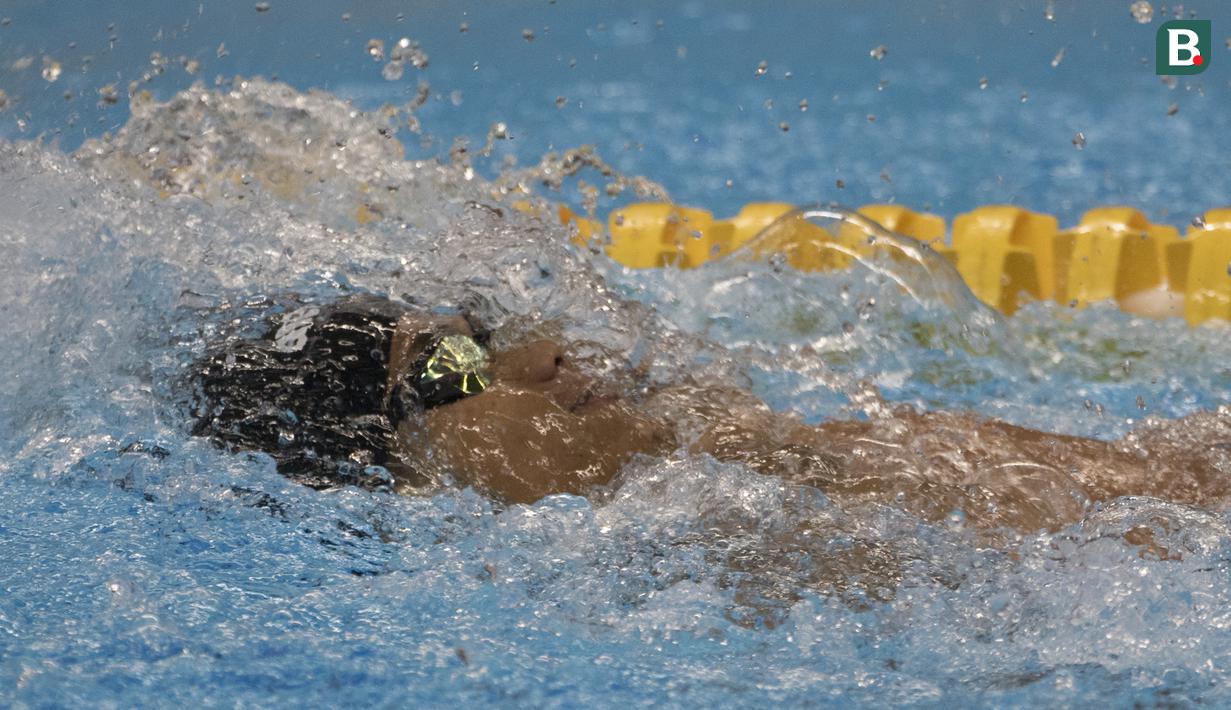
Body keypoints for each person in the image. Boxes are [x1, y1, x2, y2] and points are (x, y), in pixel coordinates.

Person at [189, 294, 1231, 535]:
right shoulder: (670, 564)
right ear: (403, 470)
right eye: (451, 362)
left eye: (482, 323)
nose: (539, 351)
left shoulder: (757, 461)